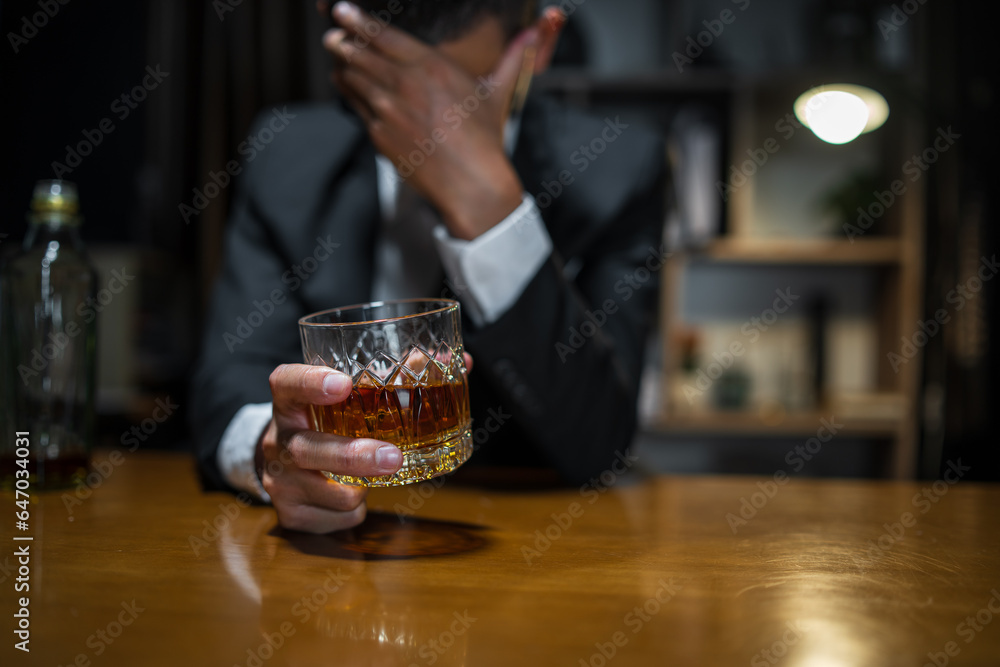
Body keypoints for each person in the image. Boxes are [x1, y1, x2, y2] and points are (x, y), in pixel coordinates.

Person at [190, 0, 667, 534]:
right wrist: (272, 453)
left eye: (460, 86)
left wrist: (489, 209)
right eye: (393, 77)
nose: (426, 112)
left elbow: (599, 443)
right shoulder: (287, 151)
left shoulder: (619, 169)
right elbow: (223, 391)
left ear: (540, 43)